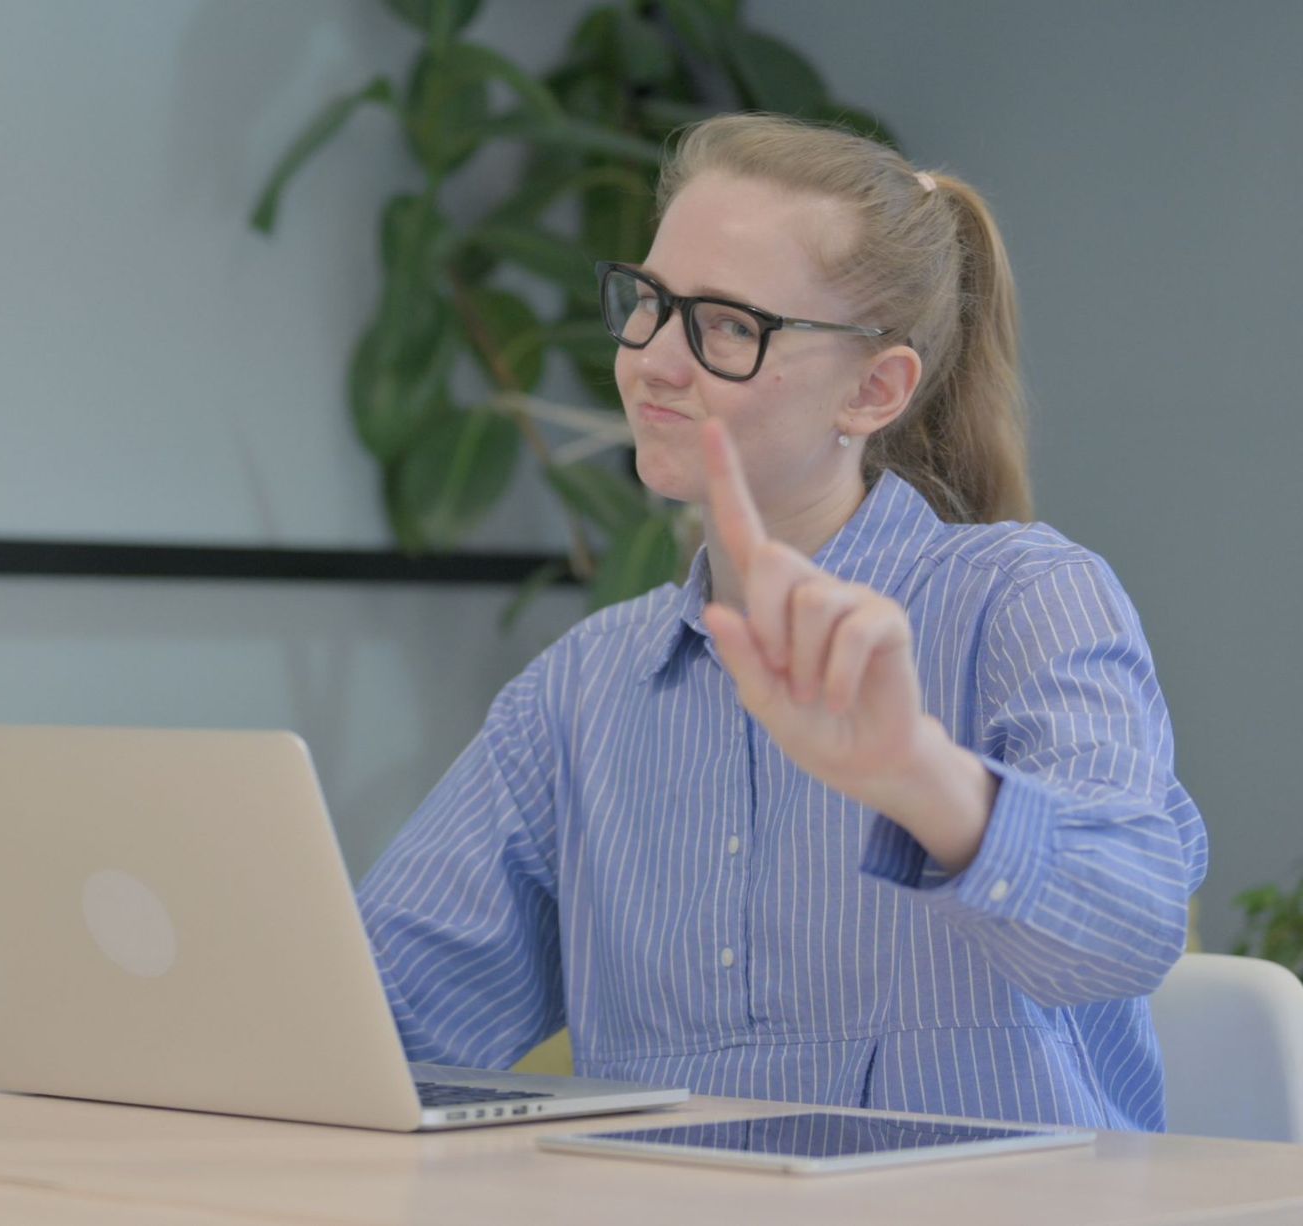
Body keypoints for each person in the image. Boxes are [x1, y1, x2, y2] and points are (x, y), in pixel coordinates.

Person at [354, 113, 1207, 1131]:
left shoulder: (1025, 596)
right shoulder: (580, 690)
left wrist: (920, 778)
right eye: (651, 304)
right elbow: (381, 1024)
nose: (655, 361)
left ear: (874, 389)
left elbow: (1128, 926)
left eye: (725, 324)